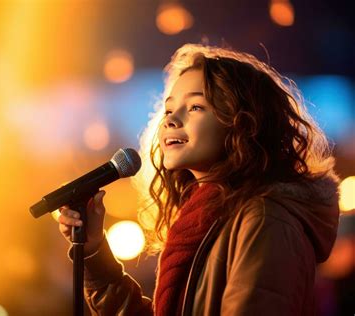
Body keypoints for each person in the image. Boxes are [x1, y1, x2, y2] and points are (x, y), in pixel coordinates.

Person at [56, 44, 340, 315]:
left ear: (243, 124)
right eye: (168, 109)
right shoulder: (202, 218)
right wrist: (94, 252)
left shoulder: (265, 220)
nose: (170, 120)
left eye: (195, 107)